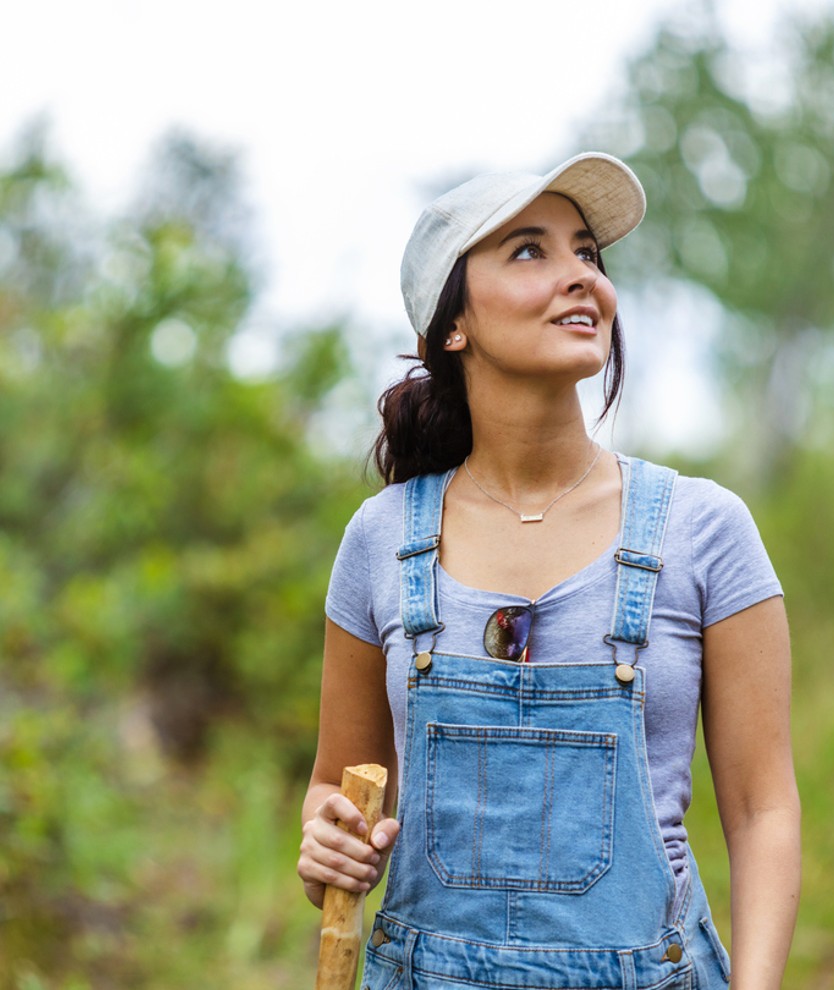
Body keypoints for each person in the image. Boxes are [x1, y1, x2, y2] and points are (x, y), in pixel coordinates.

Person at [298, 152, 800, 990]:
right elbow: (332, 793)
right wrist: (328, 844)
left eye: (588, 255)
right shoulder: (381, 539)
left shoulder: (705, 530)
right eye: (531, 251)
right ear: (451, 325)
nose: (580, 278)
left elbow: (763, 812)